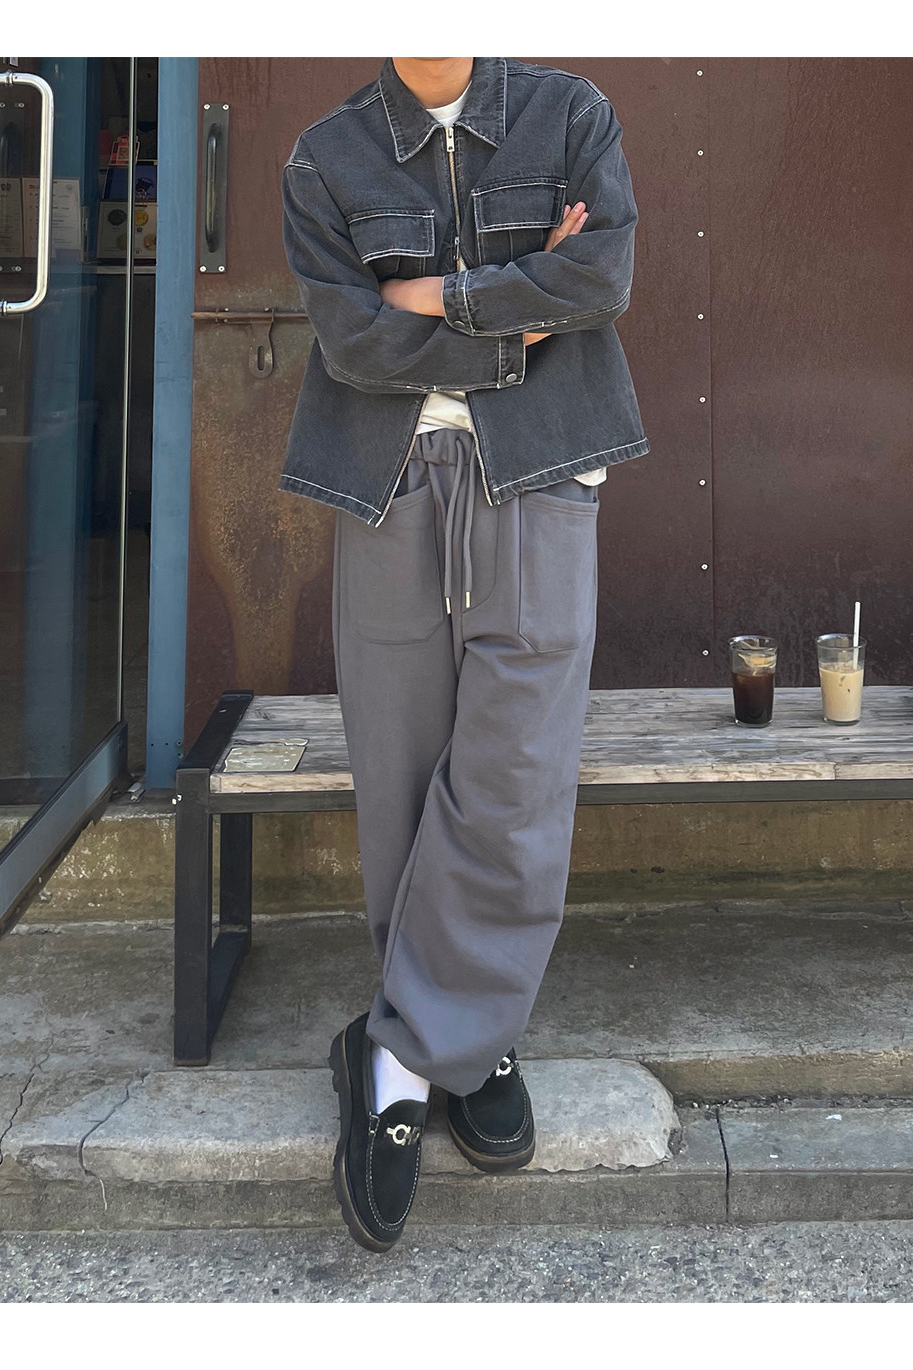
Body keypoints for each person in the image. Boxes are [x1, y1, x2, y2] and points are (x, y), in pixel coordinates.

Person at [280, 56, 648, 1252]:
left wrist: (430, 294)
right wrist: (512, 309)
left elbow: (599, 276)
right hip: (386, 481)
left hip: (537, 474)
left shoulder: (569, 114)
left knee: (515, 767)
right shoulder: (323, 157)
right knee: (401, 763)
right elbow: (352, 341)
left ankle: (410, 1049)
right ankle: (450, 1043)